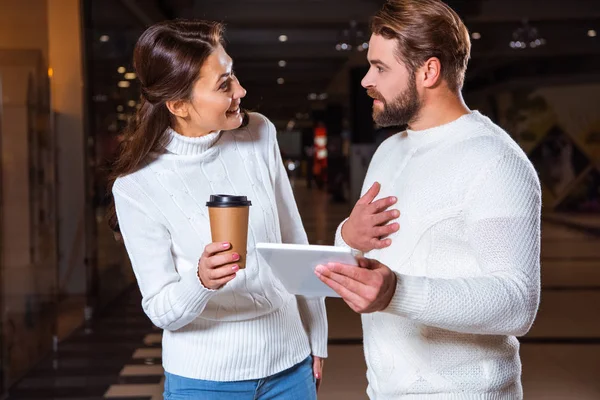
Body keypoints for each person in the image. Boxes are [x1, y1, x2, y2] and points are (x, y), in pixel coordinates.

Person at [315, 1, 541, 398]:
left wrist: (395, 293)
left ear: (429, 71)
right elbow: (367, 261)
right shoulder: (388, 152)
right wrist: (348, 236)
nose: (366, 79)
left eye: (380, 68)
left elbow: (517, 303)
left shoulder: (495, 161)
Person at [108, 19, 326, 399]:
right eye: (223, 84)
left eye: (234, 74)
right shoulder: (136, 187)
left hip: (290, 367)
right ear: (178, 105)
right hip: (203, 382)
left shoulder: (259, 133)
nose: (240, 90)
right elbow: (161, 309)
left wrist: (317, 336)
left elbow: (295, 241)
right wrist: (201, 280)